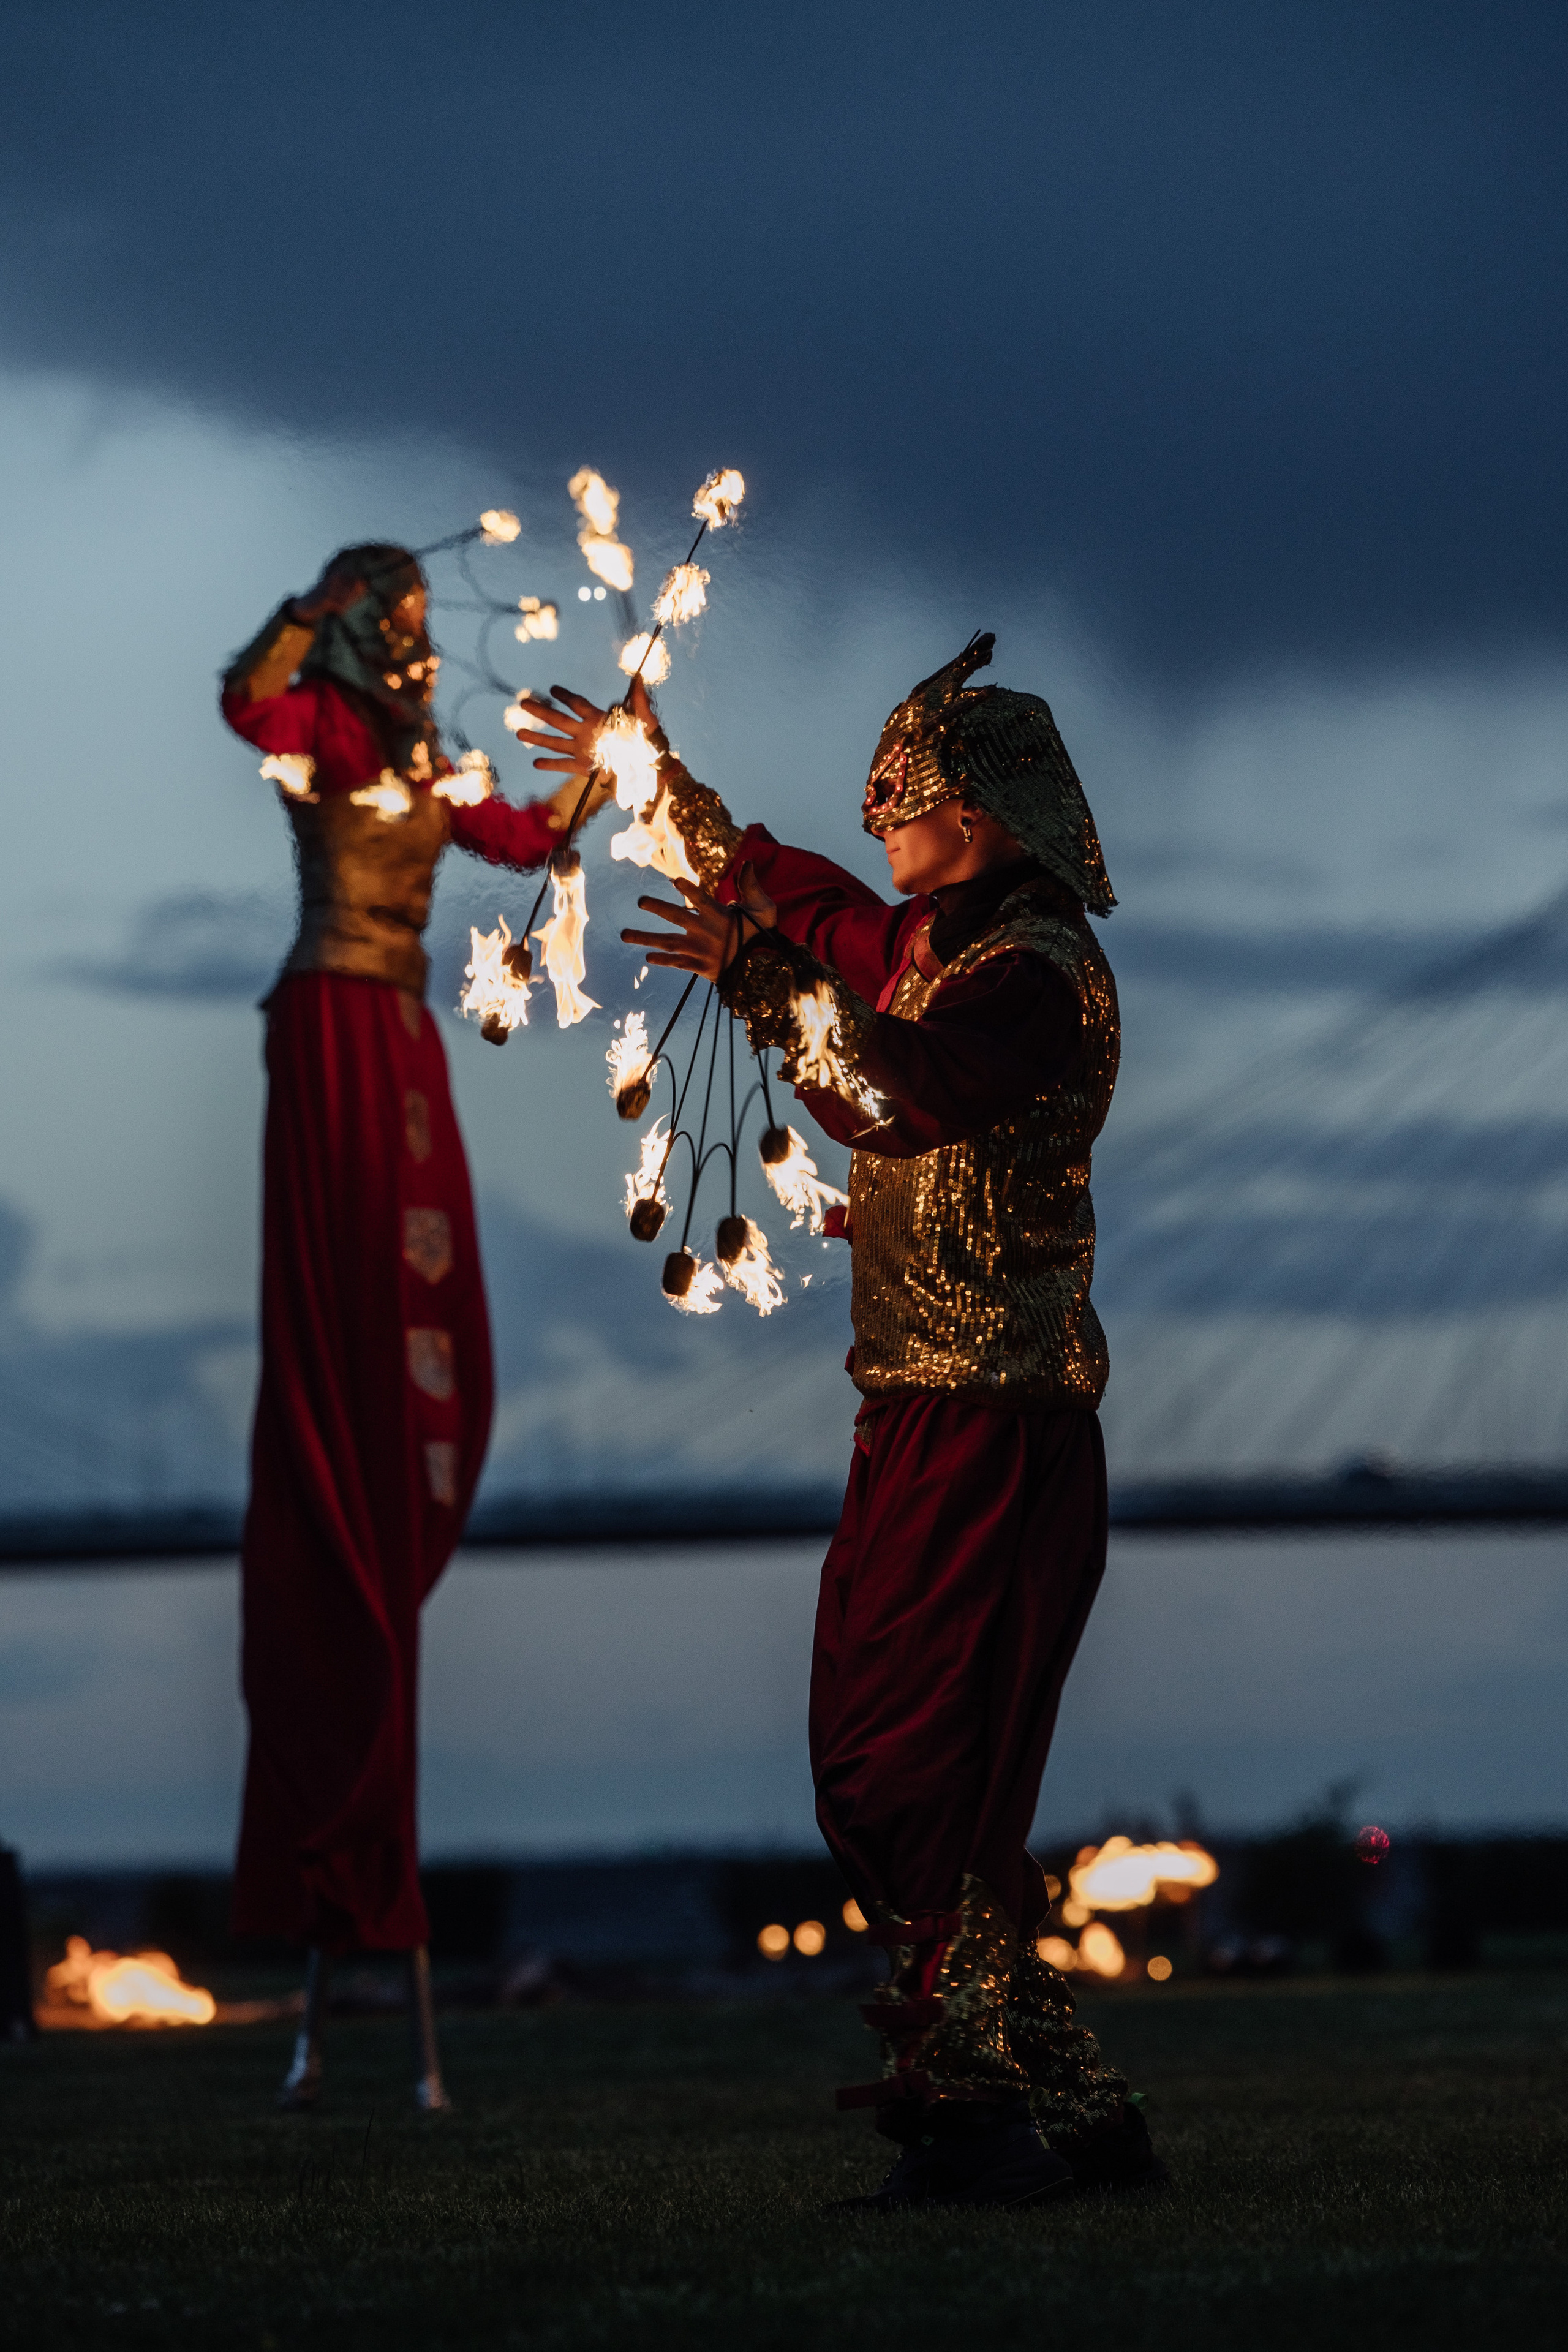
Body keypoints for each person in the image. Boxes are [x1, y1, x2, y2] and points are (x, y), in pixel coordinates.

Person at [517, 635, 1161, 2207]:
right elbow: (805, 905)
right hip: (918, 1418)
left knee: (917, 1768)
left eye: (902, 804)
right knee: (896, 1766)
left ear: (977, 814)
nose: (878, 827)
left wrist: (758, 983)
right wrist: (653, 780)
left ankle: (973, 2125)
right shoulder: (939, 950)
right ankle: (1070, 2113)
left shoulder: (1031, 981)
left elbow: (903, 1091)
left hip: (994, 1430)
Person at [220, 545, 609, 2111]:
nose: (411, 645)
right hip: (330, 1020)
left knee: (424, 1324)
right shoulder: (320, 729)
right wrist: (306, 609)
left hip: (398, 1034)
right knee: (346, 1317)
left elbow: (528, 839)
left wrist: (607, 763)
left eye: (411, 624)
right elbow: (241, 705)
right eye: (392, 623)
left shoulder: (434, 760)